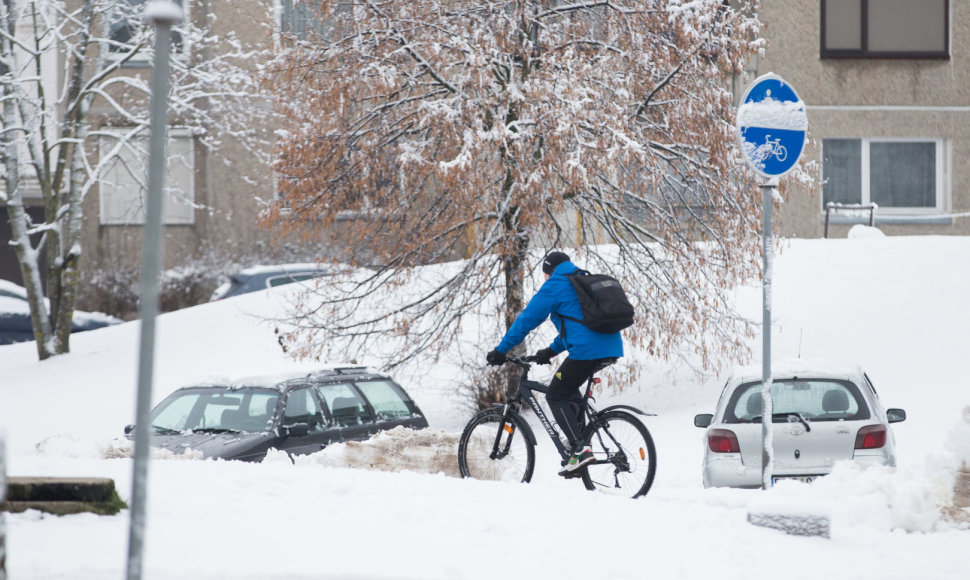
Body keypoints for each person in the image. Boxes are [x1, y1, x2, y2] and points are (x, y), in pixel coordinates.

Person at [486, 251, 622, 477]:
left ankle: (580, 449)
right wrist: (550, 351)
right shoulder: (581, 280)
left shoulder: (555, 285)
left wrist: (501, 350)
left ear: (549, 271)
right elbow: (577, 328)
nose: (545, 279)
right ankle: (577, 448)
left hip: (587, 351)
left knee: (556, 394)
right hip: (611, 348)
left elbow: (526, 320)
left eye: (544, 275)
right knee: (569, 390)